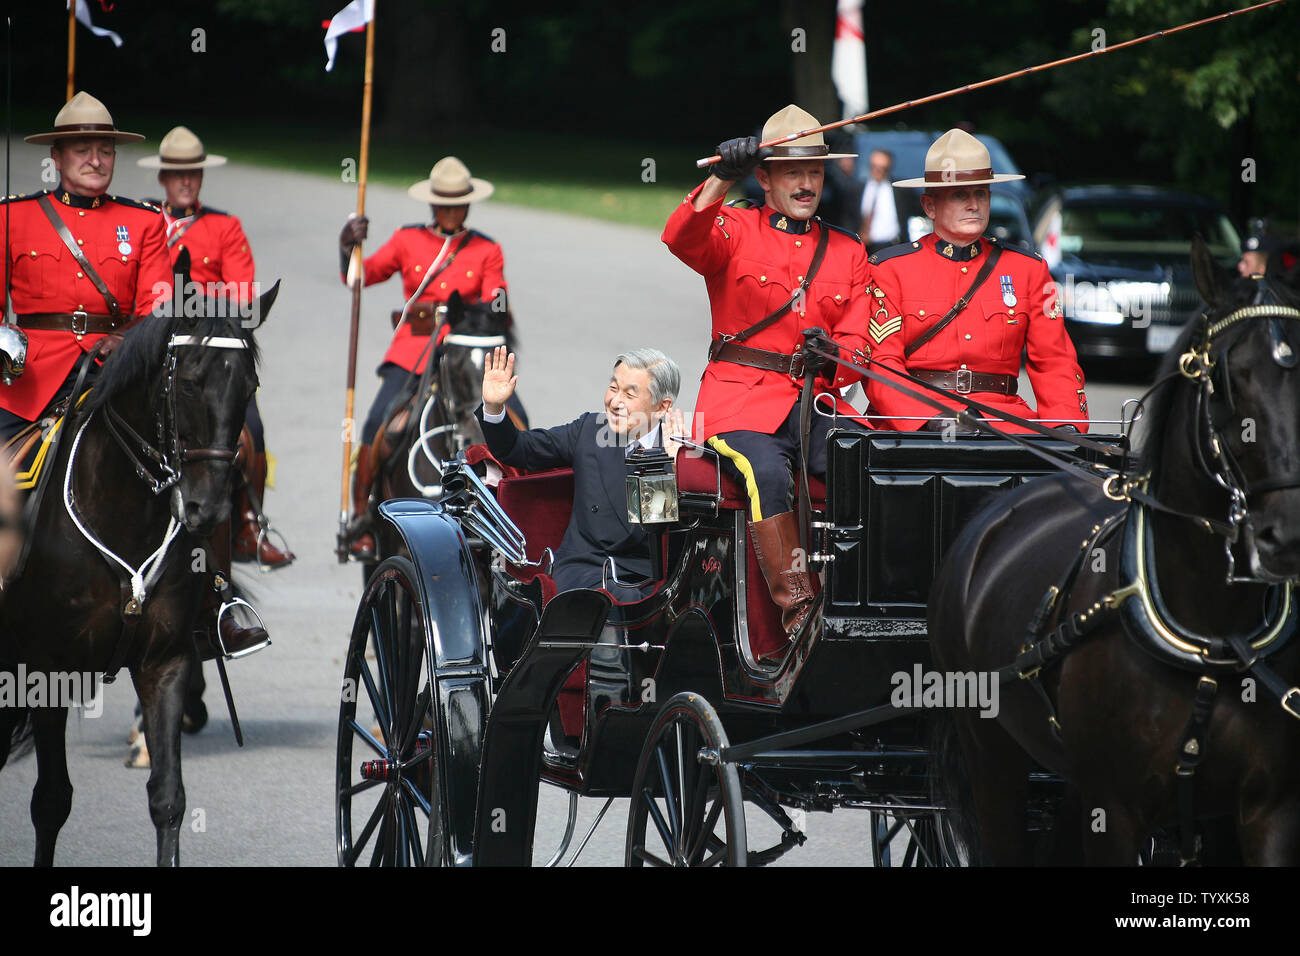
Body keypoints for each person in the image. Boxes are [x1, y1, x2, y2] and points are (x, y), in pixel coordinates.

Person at [0, 92, 267, 661]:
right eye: (82, 149)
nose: (95, 159)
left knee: (202, 455)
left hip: (113, 371)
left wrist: (129, 344)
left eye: (104, 149)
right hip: (28, 375)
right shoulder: (12, 216)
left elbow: (156, 305)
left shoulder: (142, 223)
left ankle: (214, 597)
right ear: (59, 154)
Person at [661, 103, 872, 648]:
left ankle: (865, 597)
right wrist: (720, 176)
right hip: (740, 401)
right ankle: (800, 611)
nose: (806, 184)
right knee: (766, 471)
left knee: (871, 462)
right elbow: (681, 238)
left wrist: (836, 357)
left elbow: (858, 339)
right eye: (792, 172)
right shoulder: (733, 226)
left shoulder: (848, 251)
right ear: (765, 177)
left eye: (815, 172)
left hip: (812, 402)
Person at [138, 125, 294, 570]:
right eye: (177, 173)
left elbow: (244, 297)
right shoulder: (143, 219)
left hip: (206, 348)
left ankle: (249, 524)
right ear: (164, 177)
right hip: (152, 345)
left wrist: (201, 309)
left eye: (194, 173)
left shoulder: (225, 227)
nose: (186, 181)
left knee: (254, 432)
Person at [337, 156, 508, 559]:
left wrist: (483, 314)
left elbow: (496, 303)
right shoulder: (406, 239)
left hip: (467, 353)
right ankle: (360, 517)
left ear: (467, 204)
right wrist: (348, 246)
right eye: (443, 202)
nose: (450, 210)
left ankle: (512, 512)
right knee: (377, 425)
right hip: (414, 350)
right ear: (432, 204)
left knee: (517, 418)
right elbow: (359, 277)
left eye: (457, 203)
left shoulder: (487, 249)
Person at [865, 128, 1089, 433]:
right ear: (929, 206)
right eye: (960, 194)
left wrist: (1066, 424)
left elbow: (1055, 360)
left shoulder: (1030, 270)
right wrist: (923, 419)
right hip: (916, 423)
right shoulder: (889, 269)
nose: (974, 204)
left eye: (981, 193)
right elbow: (881, 363)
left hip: (1002, 422)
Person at [476, 346, 685, 600]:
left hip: (649, 578)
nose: (615, 402)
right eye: (613, 388)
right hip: (587, 569)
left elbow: (657, 530)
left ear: (662, 406)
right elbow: (518, 450)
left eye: (629, 394)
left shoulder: (680, 450)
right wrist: (495, 408)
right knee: (610, 600)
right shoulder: (589, 431)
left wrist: (670, 468)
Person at [860, 149, 901, 255]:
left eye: (883, 168)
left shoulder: (899, 190)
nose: (878, 171)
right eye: (874, 166)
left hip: (892, 246)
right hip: (865, 247)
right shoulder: (857, 189)